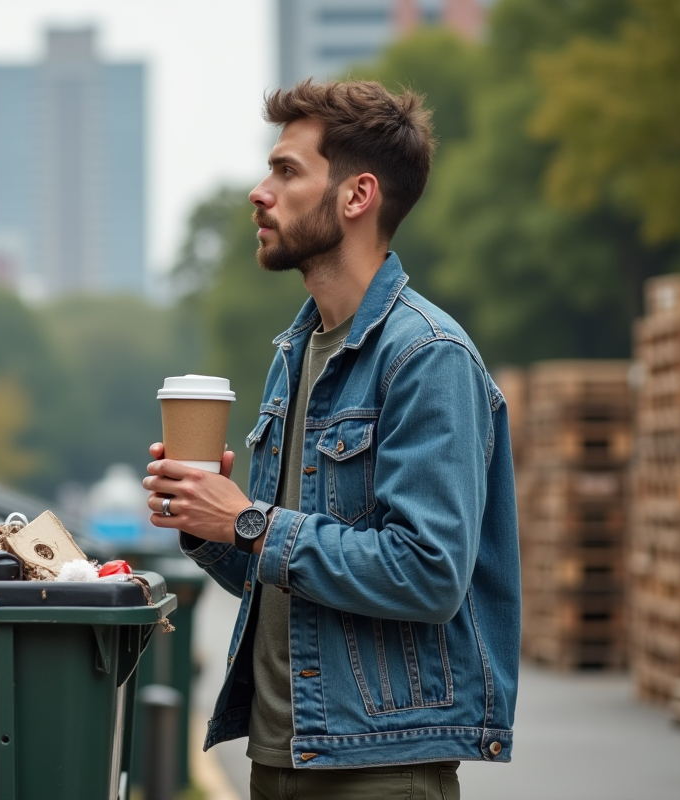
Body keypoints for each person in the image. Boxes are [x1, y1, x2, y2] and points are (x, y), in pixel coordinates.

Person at [144, 79, 520, 799]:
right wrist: (207, 522)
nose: (260, 192)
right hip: (280, 755)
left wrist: (250, 522)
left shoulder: (427, 356)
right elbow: (289, 576)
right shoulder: (297, 353)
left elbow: (428, 573)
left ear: (357, 196)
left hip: (376, 769)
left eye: (287, 171)